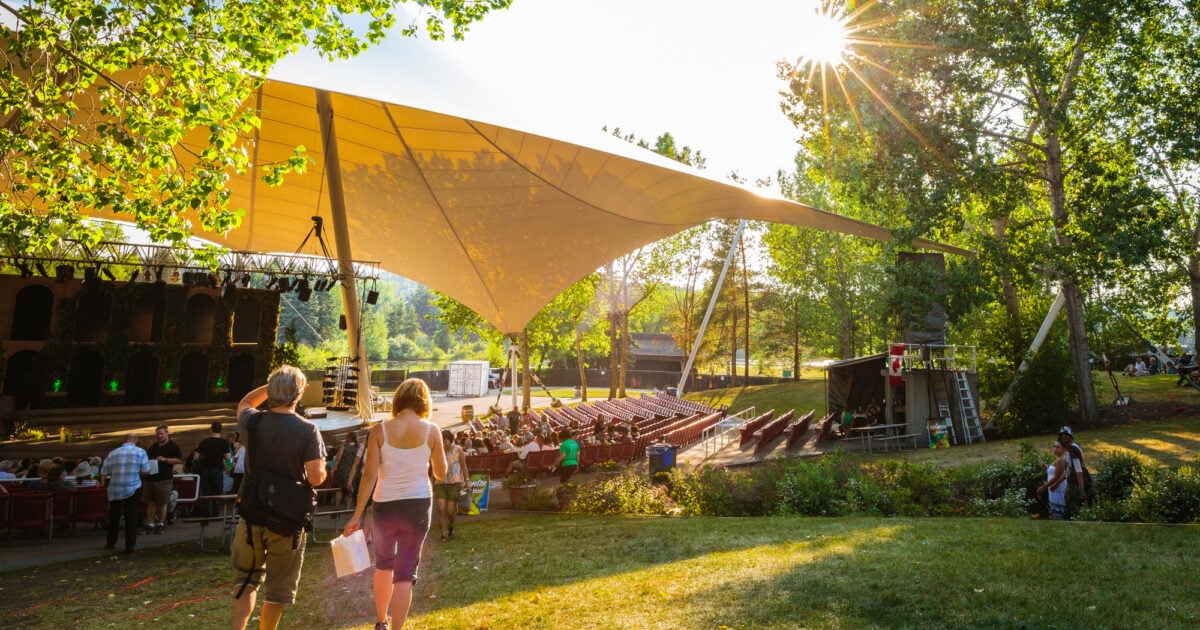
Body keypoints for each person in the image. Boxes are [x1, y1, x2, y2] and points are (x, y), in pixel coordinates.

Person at [344, 378, 447, 630]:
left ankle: (381, 622)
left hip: (385, 504)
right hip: (418, 505)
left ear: (398, 400)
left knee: (383, 565)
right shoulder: (432, 430)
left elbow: (368, 476)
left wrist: (357, 514)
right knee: (405, 573)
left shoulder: (379, 430)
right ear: (424, 401)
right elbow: (441, 473)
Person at [231, 366, 327, 630]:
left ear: (271, 391)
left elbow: (246, 402)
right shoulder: (308, 430)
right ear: (298, 395)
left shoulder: (252, 421)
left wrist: (273, 385)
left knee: (246, 578)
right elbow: (317, 477)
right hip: (287, 517)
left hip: (251, 511)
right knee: (278, 587)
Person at [101, 433, 151, 554]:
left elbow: (104, 471)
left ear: (125, 440)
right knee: (131, 517)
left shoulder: (113, 453)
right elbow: (146, 471)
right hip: (132, 487)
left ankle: (110, 542)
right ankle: (129, 545)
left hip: (115, 488)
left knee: (114, 516)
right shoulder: (140, 452)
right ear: (136, 441)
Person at [144, 424, 182, 534]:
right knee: (150, 502)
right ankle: (150, 523)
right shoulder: (154, 447)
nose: (159, 436)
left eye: (161, 434)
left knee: (162, 502)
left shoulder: (173, 446)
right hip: (151, 478)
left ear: (167, 433)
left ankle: (160, 523)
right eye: (158, 434)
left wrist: (165, 460)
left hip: (164, 479)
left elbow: (179, 460)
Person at [435, 428, 469, 542]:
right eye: (441, 441)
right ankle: (442, 534)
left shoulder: (458, 450)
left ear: (450, 440)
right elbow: (432, 467)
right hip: (440, 483)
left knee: (450, 511)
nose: (443, 444)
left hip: (454, 483)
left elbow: (464, 466)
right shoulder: (437, 450)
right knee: (440, 508)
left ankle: (451, 527)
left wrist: (467, 480)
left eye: (444, 441)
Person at [193, 422, 231, 517]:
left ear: (211, 429)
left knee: (206, 490)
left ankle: (206, 511)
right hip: (217, 468)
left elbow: (195, 457)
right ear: (220, 430)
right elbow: (227, 457)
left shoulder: (204, 442)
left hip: (205, 469)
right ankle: (216, 512)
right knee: (218, 490)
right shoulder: (224, 442)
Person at [1057, 426, 1092, 518]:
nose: (1063, 438)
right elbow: (1068, 470)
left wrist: (1081, 490)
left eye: (1066, 436)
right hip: (1072, 483)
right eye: (1062, 436)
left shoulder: (1073, 450)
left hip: (1076, 485)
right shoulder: (1069, 450)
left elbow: (1078, 470)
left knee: (1072, 511)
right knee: (1071, 510)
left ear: (1070, 437)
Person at [1037, 442, 1069, 520]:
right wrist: (1046, 469)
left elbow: (1057, 477)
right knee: (1054, 512)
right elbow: (1053, 473)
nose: (1055, 449)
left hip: (1057, 488)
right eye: (1054, 446)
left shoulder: (1062, 460)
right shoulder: (1058, 459)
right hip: (1053, 488)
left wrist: (1043, 487)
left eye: (1058, 447)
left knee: (1058, 513)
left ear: (1064, 449)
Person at [331, 432, 360, 507]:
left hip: (342, 470)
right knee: (350, 489)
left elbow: (338, 458)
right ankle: (347, 509)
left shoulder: (344, 446)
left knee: (339, 489)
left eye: (346, 436)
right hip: (353, 471)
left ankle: (337, 507)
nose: (345, 438)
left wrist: (334, 468)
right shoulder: (358, 447)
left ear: (350, 438)